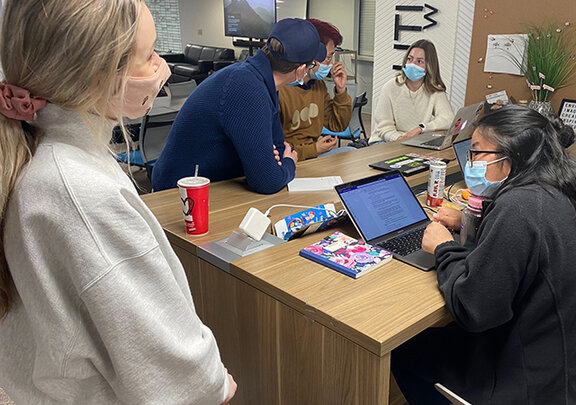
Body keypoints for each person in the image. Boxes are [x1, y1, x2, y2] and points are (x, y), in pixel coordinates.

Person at [0, 1, 236, 403]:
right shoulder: (80, 193)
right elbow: (172, 375)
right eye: (148, 56)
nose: (161, 65)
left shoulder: (49, 158)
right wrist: (215, 382)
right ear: (97, 74)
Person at [391, 105, 576, 404]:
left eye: (477, 152)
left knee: (406, 350)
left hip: (538, 389)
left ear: (513, 158)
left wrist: (444, 248)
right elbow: (535, 245)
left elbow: (474, 308)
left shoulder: (519, 205)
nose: (470, 162)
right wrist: (472, 223)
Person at [151, 18, 327, 192]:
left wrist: (274, 162)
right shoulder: (246, 87)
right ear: (300, 70)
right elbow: (268, 181)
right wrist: (290, 163)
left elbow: (278, 150)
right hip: (177, 194)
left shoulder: (263, 82)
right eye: (312, 65)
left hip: (216, 184)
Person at [278, 19, 354, 161]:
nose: (330, 64)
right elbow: (276, 150)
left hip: (312, 154)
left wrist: (341, 90)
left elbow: (337, 125)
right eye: (328, 57)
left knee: (350, 153)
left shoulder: (318, 85)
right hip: (291, 158)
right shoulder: (281, 89)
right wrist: (314, 149)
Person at [369, 39, 453, 144]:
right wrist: (402, 139)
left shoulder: (434, 90)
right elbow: (384, 127)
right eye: (410, 59)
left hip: (414, 141)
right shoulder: (390, 87)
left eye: (419, 61)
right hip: (385, 140)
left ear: (429, 66)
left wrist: (421, 128)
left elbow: (448, 119)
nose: (412, 64)